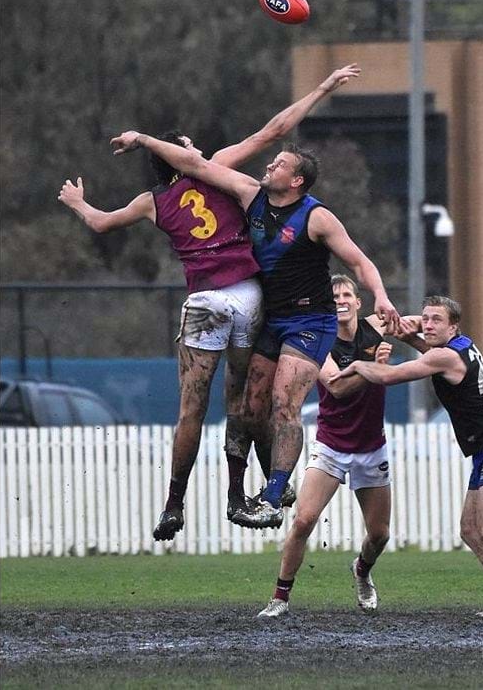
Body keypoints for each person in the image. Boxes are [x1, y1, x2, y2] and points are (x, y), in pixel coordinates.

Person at [59, 64, 361, 538]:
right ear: (182, 154)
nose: (195, 148)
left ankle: (173, 505)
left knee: (191, 410)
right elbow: (274, 130)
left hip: (204, 302)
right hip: (248, 295)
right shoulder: (217, 169)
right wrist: (322, 87)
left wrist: (77, 201)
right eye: (188, 146)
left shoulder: (151, 201)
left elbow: (100, 222)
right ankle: (243, 494)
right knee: (246, 399)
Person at [111, 129, 400, 531]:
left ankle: (272, 497)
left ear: (296, 180)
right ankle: (264, 488)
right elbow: (195, 164)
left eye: (279, 164)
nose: (269, 165)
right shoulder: (251, 195)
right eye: (273, 160)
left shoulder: (316, 217)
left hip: (309, 322)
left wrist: (381, 295)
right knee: (251, 407)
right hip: (271, 318)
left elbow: (359, 261)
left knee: (284, 403)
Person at [258, 274, 403, 618]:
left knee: (380, 535)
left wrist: (439, 347)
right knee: (303, 520)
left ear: (358, 302)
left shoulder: (375, 327)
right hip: (331, 446)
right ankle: (280, 598)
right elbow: (336, 387)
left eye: (346, 295)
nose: (340, 300)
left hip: (371, 447)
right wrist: (374, 368)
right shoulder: (319, 342)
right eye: (334, 296)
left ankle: (362, 570)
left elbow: (415, 325)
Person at [330, 295, 483, 612]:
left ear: (453, 327)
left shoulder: (445, 356)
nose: (428, 324)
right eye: (425, 318)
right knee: (470, 530)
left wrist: (358, 364)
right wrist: (408, 332)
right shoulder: (459, 346)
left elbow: (390, 376)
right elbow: (424, 342)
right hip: (480, 450)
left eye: (436, 320)